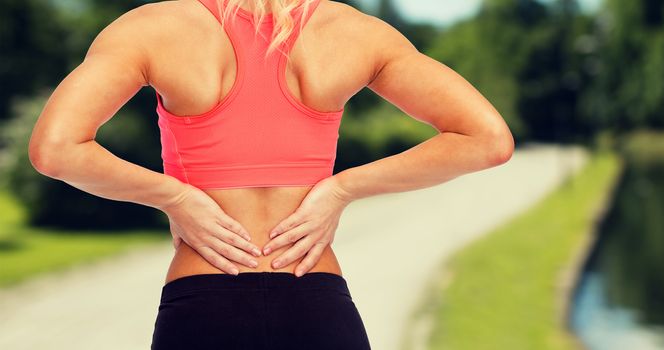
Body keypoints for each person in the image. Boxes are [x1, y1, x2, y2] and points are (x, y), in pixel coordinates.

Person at [27, 0, 515, 348]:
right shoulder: (354, 31)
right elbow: (487, 139)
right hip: (316, 299)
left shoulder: (153, 28)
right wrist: (341, 189)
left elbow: (55, 149)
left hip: (203, 301)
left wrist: (176, 197)